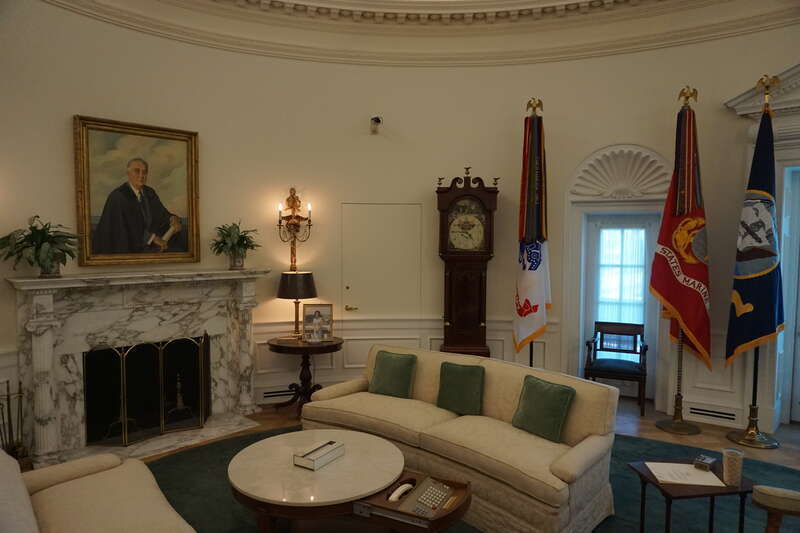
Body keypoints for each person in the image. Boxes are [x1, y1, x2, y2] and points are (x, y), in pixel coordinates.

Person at [93, 158, 183, 254]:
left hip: (150, 247)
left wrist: (172, 218)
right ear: (128, 173)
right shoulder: (118, 196)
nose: (141, 175)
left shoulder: (149, 192)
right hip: (127, 249)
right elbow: (122, 228)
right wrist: (152, 238)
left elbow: (162, 213)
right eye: (137, 171)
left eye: (144, 172)